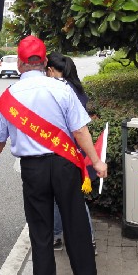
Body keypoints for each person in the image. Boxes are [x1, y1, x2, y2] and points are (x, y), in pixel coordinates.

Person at [0, 35, 108, 275]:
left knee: (41, 230)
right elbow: (80, 131)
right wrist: (95, 161)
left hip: (33, 170)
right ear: (45, 62)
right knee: (75, 223)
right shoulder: (61, 89)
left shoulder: (8, 96)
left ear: (21, 64)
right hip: (66, 165)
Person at [46, 52, 96, 254]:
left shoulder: (62, 90)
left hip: (66, 152)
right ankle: (63, 236)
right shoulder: (77, 89)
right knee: (64, 197)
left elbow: (78, 129)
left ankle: (85, 240)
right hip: (74, 151)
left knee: (72, 199)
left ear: (50, 70)